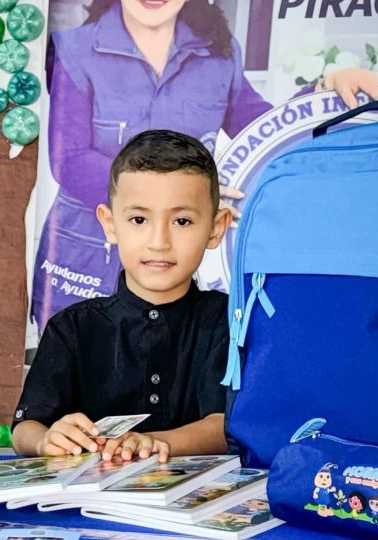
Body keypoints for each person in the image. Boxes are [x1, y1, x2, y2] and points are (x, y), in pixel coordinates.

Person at [31, 0, 378, 327]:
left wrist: (328, 86)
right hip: (88, 253)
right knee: (77, 384)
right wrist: (180, 190)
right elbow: (70, 160)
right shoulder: (73, 49)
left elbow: (262, 131)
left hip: (173, 260)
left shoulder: (220, 54)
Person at [13, 130, 233, 462]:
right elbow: (24, 429)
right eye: (139, 219)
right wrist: (47, 440)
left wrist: (151, 442)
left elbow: (225, 424)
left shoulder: (227, 320)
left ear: (216, 228)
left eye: (182, 220)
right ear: (110, 224)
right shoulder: (72, 328)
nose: (159, 241)